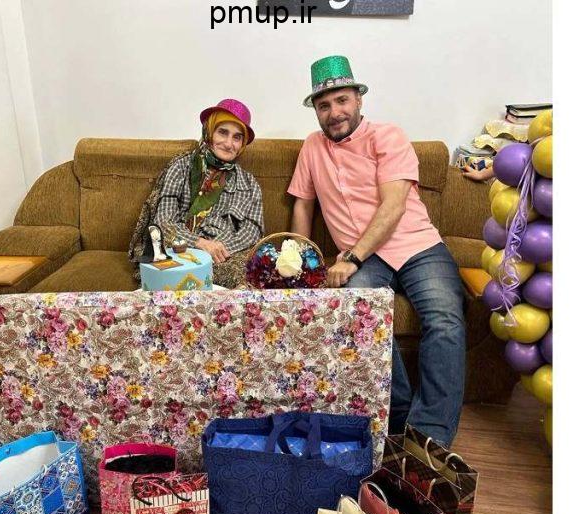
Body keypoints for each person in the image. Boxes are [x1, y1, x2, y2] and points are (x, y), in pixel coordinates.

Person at [286, 56, 466, 447]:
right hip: (365, 260)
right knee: (360, 309)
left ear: (359, 100)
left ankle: (428, 438)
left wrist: (351, 258)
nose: (334, 112)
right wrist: (301, 264)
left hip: (416, 245)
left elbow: (394, 205)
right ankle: (396, 415)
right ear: (316, 111)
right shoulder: (312, 147)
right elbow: (303, 205)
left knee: (445, 320)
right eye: (324, 105)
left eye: (342, 100)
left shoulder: (388, 136)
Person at [129, 99, 264, 288]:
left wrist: (218, 249)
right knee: (165, 273)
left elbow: (252, 232)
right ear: (209, 132)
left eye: (237, 137)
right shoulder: (181, 167)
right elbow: (164, 221)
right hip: (177, 248)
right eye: (222, 132)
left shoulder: (249, 184)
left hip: (224, 257)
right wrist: (199, 243)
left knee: (251, 275)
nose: (228, 143)